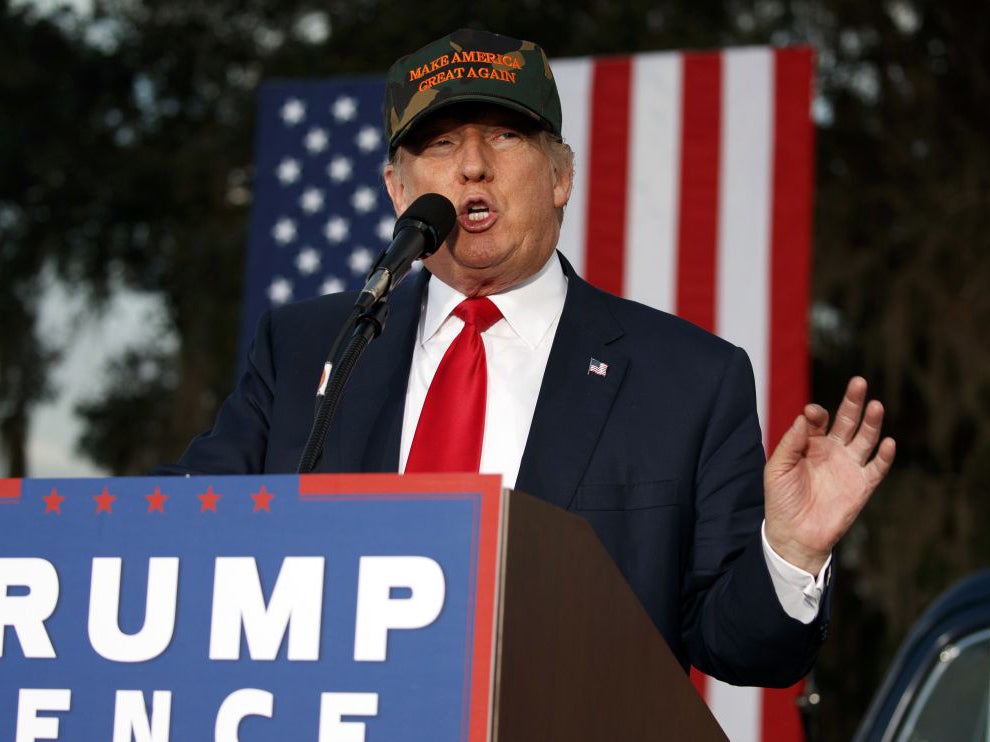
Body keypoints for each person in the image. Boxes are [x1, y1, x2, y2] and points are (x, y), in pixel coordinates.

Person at [162, 29, 895, 687]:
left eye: (506, 137)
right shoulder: (308, 347)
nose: (473, 166)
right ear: (397, 189)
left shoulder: (689, 380)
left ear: (559, 178)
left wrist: (790, 553)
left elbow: (742, 649)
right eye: (440, 144)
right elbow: (187, 534)